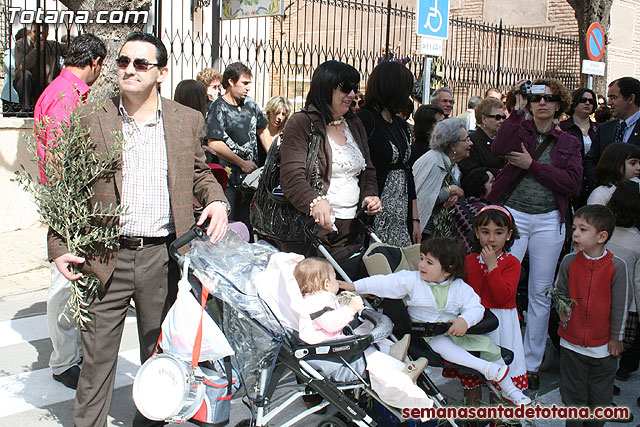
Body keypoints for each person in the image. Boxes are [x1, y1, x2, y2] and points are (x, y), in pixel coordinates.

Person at [47, 32, 229, 427]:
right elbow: (66, 187)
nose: (129, 69)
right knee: (96, 361)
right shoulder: (89, 118)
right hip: (104, 255)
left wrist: (216, 199)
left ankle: (151, 421)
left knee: (160, 356)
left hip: (162, 257)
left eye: (140, 64)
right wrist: (59, 245)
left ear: (161, 72)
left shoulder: (186, 120)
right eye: (123, 61)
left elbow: (200, 174)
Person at [340, 236, 531, 405]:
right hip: (426, 334)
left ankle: (512, 390)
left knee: (490, 347)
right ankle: (485, 368)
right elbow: (382, 282)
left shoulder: (459, 288)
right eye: (421, 259)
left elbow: (476, 307)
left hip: (455, 331)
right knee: (442, 345)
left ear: (447, 271)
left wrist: (465, 320)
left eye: (429, 262)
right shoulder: (413, 280)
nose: (421, 265)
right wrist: (352, 286)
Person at [486, 78, 582, 390]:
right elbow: (499, 148)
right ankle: (497, 353)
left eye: (549, 98)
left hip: (548, 221)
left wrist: (532, 166)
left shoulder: (569, 141)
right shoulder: (519, 128)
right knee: (501, 285)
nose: (542, 103)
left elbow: (571, 184)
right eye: (535, 97)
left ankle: (531, 362)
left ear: (558, 105)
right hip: (513, 217)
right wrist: (515, 110)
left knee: (540, 293)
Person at [33, 33, 106, 390]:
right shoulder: (66, 97)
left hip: (66, 198)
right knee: (64, 281)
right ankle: (64, 361)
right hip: (68, 201)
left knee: (72, 278)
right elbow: (63, 157)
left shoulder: (62, 90)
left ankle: (70, 353)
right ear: (94, 63)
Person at [294, 257, 434, 415]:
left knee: (372, 342)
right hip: (335, 354)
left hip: (340, 344)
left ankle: (395, 355)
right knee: (374, 362)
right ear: (326, 284)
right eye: (334, 277)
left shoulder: (319, 298)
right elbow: (330, 323)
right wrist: (351, 309)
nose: (337, 281)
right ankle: (408, 387)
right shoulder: (314, 302)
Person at [280, 60, 381, 256]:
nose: (352, 95)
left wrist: (370, 195)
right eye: (345, 88)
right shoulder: (301, 123)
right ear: (326, 87)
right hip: (313, 229)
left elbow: (368, 170)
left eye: (354, 88)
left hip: (351, 228)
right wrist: (315, 201)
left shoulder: (355, 124)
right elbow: (291, 177)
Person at [553, 204, 630, 427]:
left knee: (600, 400)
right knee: (573, 397)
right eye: (574, 227)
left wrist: (616, 337)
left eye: (583, 229)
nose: (575, 233)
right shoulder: (568, 261)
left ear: (602, 236)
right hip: (571, 345)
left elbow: (620, 305)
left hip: (603, 348)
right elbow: (559, 292)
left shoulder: (617, 266)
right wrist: (562, 308)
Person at [462, 206, 528, 405]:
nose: (491, 239)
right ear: (476, 233)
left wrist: (492, 266)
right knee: (473, 375)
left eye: (498, 233)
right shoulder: (469, 261)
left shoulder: (512, 263)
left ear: (509, 235)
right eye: (485, 232)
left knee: (499, 377)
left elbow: (501, 296)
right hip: (475, 322)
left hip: (501, 323)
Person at [357, 61, 419, 246]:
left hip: (401, 215)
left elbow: (409, 172)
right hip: (375, 210)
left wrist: (415, 220)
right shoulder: (365, 119)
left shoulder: (400, 125)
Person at [206, 62, 270, 230]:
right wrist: (241, 163)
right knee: (229, 228)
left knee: (249, 228)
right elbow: (214, 142)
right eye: (245, 83)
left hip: (252, 181)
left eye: (250, 83)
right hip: (228, 181)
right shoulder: (218, 107)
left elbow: (263, 132)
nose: (248, 88)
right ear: (231, 82)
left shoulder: (251, 105)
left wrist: (274, 157)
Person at [605, 180, 640, 383]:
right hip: (626, 308)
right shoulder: (637, 242)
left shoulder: (602, 233)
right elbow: (637, 282)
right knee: (615, 348)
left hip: (597, 301)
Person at [413, 118, 472, 238]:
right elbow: (422, 198)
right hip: (424, 234)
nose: (471, 143)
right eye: (466, 140)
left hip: (439, 233)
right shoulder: (433, 161)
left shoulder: (453, 164)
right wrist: (451, 190)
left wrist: (454, 195)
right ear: (453, 145)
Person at [585, 77, 640, 186]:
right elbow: (590, 161)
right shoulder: (605, 129)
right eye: (608, 98)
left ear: (630, 99)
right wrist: (602, 184)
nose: (609, 103)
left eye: (613, 97)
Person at [560, 88, 599, 209]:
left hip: (593, 181)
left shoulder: (599, 129)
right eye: (583, 100)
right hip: (571, 180)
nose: (587, 103)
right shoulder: (562, 128)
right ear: (574, 102)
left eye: (591, 101)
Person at [458, 97, 506, 178]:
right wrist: (498, 172)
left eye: (503, 117)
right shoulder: (472, 140)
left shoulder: (502, 139)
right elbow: (471, 171)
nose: (501, 121)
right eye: (497, 117)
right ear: (484, 119)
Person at [451, 167, 494, 255]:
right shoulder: (483, 211)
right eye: (492, 181)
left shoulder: (460, 203)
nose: (496, 184)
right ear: (481, 186)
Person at [23, 23, 68, 105]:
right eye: (35, 32)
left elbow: (68, 48)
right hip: (28, 85)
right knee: (25, 75)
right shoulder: (22, 44)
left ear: (47, 34)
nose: (37, 35)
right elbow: (23, 66)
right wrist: (36, 51)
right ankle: (25, 107)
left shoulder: (50, 45)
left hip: (45, 83)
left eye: (41, 33)